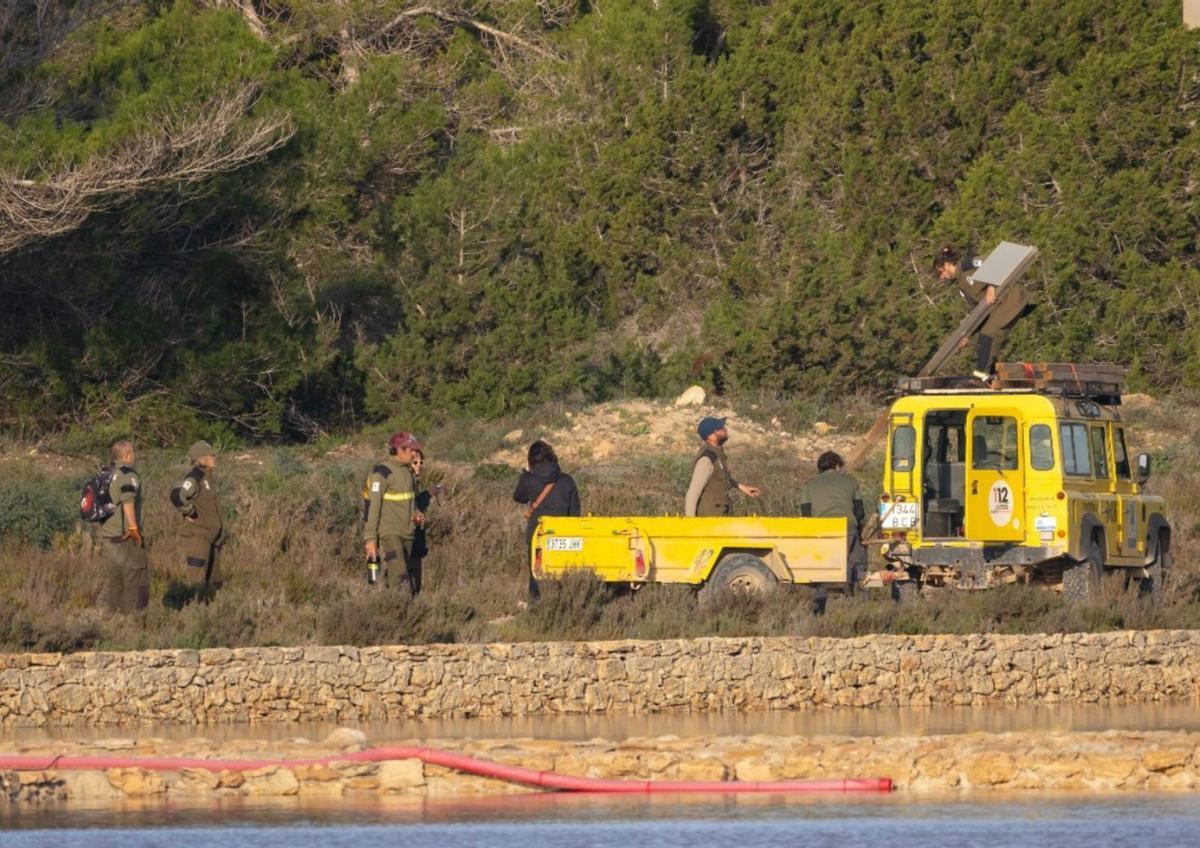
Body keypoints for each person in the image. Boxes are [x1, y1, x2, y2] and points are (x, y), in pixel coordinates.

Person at [935, 245, 1031, 383]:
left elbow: (992, 261)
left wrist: (991, 287)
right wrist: (967, 334)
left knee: (988, 334)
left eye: (940, 273)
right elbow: (977, 313)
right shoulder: (961, 286)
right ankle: (990, 374)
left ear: (947, 265)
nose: (942, 278)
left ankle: (981, 375)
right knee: (990, 337)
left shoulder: (968, 266)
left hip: (1011, 297)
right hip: (1001, 306)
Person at [513, 440, 581, 599]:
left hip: (538, 534)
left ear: (531, 460)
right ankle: (566, 602)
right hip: (565, 535)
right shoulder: (567, 480)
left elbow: (518, 498)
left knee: (536, 573)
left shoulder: (529, 480)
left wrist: (525, 476)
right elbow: (575, 512)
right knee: (565, 572)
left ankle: (538, 605)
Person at [362, 432, 425, 595]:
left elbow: (411, 500)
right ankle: (401, 612)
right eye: (411, 450)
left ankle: (391, 608)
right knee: (400, 577)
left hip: (408, 533)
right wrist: (370, 540)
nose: (414, 454)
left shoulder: (408, 472)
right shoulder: (381, 473)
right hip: (390, 533)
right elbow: (372, 507)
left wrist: (417, 512)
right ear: (399, 449)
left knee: (405, 577)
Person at [799, 450, 868, 590]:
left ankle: (823, 593)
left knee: (824, 566)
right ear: (837, 465)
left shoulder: (809, 484)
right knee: (856, 564)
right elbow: (860, 512)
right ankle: (855, 593)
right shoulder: (851, 481)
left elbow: (805, 514)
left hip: (821, 529)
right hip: (847, 527)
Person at [96, 439, 150, 614]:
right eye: (133, 452)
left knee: (116, 579)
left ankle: (115, 619)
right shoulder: (128, 474)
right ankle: (135, 620)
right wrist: (134, 528)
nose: (134, 456)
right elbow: (128, 500)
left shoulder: (107, 473)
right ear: (127, 455)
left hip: (108, 535)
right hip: (126, 536)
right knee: (136, 578)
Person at [169, 440, 224, 597]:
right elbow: (177, 496)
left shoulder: (209, 477)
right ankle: (189, 611)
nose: (215, 457)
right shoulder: (196, 476)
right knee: (196, 581)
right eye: (211, 455)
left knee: (214, 583)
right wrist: (190, 512)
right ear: (201, 457)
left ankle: (210, 612)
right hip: (198, 536)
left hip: (213, 538)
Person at [684, 416, 761, 517]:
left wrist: (742, 487)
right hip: (708, 521)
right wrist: (690, 525)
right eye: (719, 428)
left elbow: (721, 476)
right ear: (710, 436)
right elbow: (692, 494)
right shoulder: (707, 460)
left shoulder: (717, 454)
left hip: (719, 517)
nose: (725, 429)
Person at [408, 449, 432, 596]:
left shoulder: (414, 481)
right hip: (407, 533)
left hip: (416, 533)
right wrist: (429, 494)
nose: (419, 465)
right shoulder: (405, 482)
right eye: (415, 462)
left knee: (416, 578)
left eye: (421, 462)